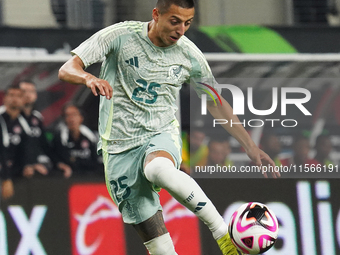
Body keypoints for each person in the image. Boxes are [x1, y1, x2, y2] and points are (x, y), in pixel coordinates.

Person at [58, 0, 278, 254]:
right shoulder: (119, 36)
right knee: (159, 246)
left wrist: (250, 146)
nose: (181, 30)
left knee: (158, 168)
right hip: (117, 148)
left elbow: (215, 101)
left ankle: (222, 233)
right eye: (174, 21)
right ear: (156, 15)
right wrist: (89, 78)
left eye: (187, 23)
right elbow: (67, 68)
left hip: (160, 134)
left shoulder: (189, 54)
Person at [0, 84, 33, 199]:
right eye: (11, 95)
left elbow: (26, 149)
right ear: (4, 98)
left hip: (10, 169)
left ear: (24, 100)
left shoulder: (24, 124)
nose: (14, 99)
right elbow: (2, 149)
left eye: (18, 96)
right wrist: (6, 178)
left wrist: (27, 165)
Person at [51, 103, 101, 176]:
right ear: (64, 119)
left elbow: (97, 159)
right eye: (67, 115)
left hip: (92, 177)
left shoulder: (91, 137)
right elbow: (56, 159)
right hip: (69, 179)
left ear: (81, 118)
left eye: (74, 114)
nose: (71, 119)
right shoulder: (59, 138)